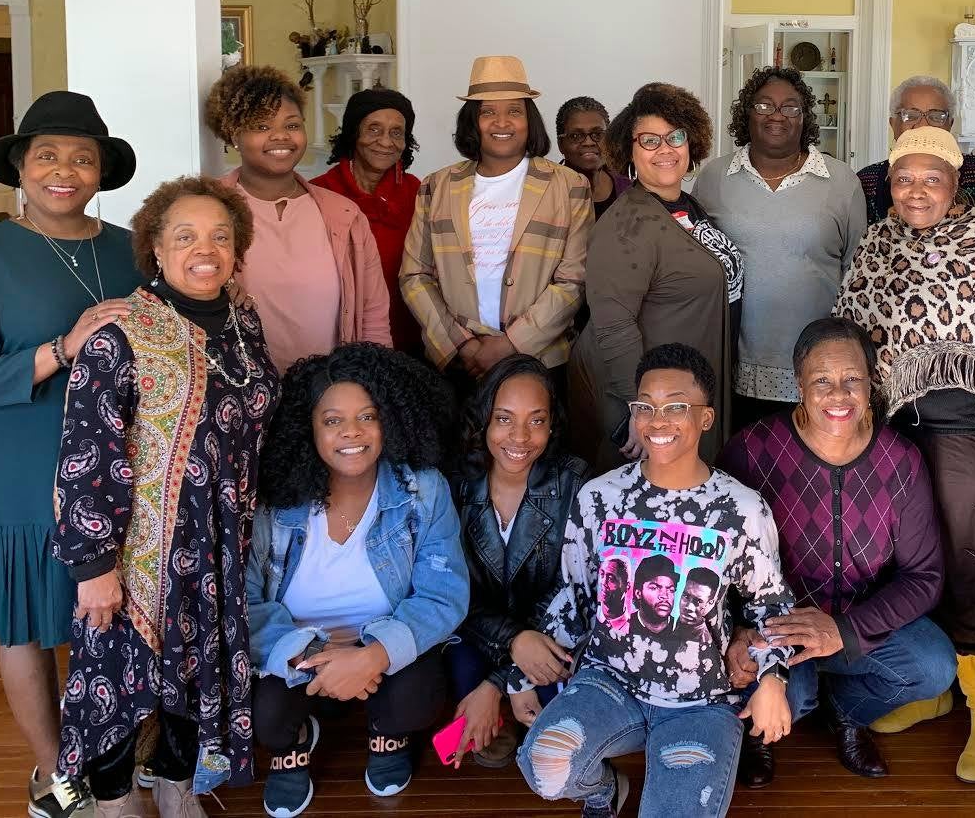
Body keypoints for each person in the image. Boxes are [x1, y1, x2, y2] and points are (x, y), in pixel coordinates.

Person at [0, 91, 143, 818]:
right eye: (47, 155)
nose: (65, 170)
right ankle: (57, 774)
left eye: (82, 157)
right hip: (23, 466)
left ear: (101, 170)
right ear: (20, 166)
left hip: (121, 467)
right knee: (28, 620)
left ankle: (115, 756)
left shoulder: (130, 247)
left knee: (115, 614)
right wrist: (60, 349)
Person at [834, 127, 975, 784]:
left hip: (971, 439)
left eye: (930, 179)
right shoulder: (878, 243)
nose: (916, 191)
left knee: (970, 573)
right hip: (897, 438)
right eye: (904, 178)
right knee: (910, 564)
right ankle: (934, 691)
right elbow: (853, 338)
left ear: (953, 185)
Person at [52, 176, 281, 815]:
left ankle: (178, 791)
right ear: (155, 247)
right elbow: (85, 456)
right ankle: (113, 805)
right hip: (138, 555)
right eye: (185, 236)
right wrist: (94, 569)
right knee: (120, 692)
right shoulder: (121, 334)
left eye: (220, 236)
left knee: (193, 681)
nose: (204, 250)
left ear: (238, 250)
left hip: (218, 548)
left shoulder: (243, 323)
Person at [515, 343, 796, 818]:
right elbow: (577, 595)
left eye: (676, 407)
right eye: (645, 406)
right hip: (610, 682)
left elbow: (772, 608)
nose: (657, 420)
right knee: (545, 765)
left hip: (701, 699)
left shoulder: (741, 509)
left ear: (705, 418)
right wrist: (519, 675)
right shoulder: (599, 497)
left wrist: (772, 679)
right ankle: (606, 790)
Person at [722, 317, 953, 786]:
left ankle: (847, 713)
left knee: (934, 667)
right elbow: (716, 560)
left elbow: (924, 577)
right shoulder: (751, 451)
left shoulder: (900, 461)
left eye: (852, 380)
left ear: (872, 382)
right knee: (793, 699)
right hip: (778, 626)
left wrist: (844, 629)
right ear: (799, 385)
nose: (838, 395)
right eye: (821, 380)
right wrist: (738, 631)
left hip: (860, 622)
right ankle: (758, 732)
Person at [248, 342, 467, 817]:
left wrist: (372, 657)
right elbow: (244, 603)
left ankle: (385, 729)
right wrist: (314, 659)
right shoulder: (273, 502)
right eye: (332, 420)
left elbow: (443, 595)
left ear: (390, 420)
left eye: (368, 417)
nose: (352, 432)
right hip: (299, 657)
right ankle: (300, 736)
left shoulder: (423, 491)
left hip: (384, 652)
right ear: (308, 427)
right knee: (264, 720)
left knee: (418, 699)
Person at [566, 82, 743, 471]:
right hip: (655, 407)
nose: (665, 149)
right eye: (649, 140)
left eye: (674, 137)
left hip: (691, 388)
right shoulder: (627, 222)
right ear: (628, 151)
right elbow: (613, 325)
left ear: (690, 142)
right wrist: (642, 409)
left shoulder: (685, 205)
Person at [401, 55, 593, 389]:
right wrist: (462, 344)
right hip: (458, 364)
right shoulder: (436, 186)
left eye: (514, 111)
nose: (501, 122)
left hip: (540, 361)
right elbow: (415, 275)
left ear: (529, 120)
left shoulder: (569, 187)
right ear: (472, 122)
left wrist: (511, 344)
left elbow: (573, 281)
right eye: (488, 111)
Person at [695, 66, 866, 427]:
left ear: (805, 117)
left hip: (819, 368)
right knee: (744, 465)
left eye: (790, 107)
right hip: (734, 359)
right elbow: (698, 260)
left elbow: (857, 274)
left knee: (806, 474)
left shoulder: (841, 181)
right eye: (764, 105)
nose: (777, 115)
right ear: (747, 113)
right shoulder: (713, 177)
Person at [450, 353, 587, 770]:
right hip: (478, 632)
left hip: (550, 633)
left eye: (536, 420)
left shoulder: (573, 481)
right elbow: (453, 595)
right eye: (504, 419)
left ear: (552, 424)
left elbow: (573, 589)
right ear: (484, 421)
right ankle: (494, 706)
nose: (520, 437)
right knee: (460, 676)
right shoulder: (454, 484)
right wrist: (510, 649)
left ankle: (508, 702)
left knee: (555, 716)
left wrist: (505, 679)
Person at [206, 65, 391, 373]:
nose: (280, 136)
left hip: (328, 396)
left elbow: (372, 314)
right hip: (240, 394)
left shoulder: (343, 215)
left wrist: (373, 382)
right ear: (233, 135)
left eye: (292, 125)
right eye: (261, 126)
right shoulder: (208, 208)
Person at [311, 87, 423, 353]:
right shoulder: (319, 193)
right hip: (339, 339)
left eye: (397, 132)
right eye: (374, 129)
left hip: (410, 335)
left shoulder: (417, 191)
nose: (386, 142)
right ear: (353, 133)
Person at [856, 75, 975, 222]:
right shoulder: (865, 182)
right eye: (910, 115)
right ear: (892, 124)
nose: (923, 125)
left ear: (950, 124)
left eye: (936, 116)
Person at [556, 96, 630, 219]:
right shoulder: (547, 192)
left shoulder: (628, 189)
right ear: (561, 144)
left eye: (597, 134)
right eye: (575, 136)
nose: (588, 142)